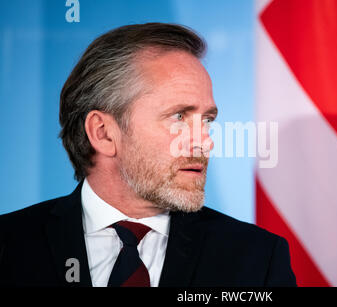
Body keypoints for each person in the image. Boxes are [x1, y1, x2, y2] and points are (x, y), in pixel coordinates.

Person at [0, 23, 296, 287]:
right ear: (103, 132)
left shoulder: (256, 258)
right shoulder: (9, 246)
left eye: (207, 120)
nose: (204, 142)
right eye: (179, 116)